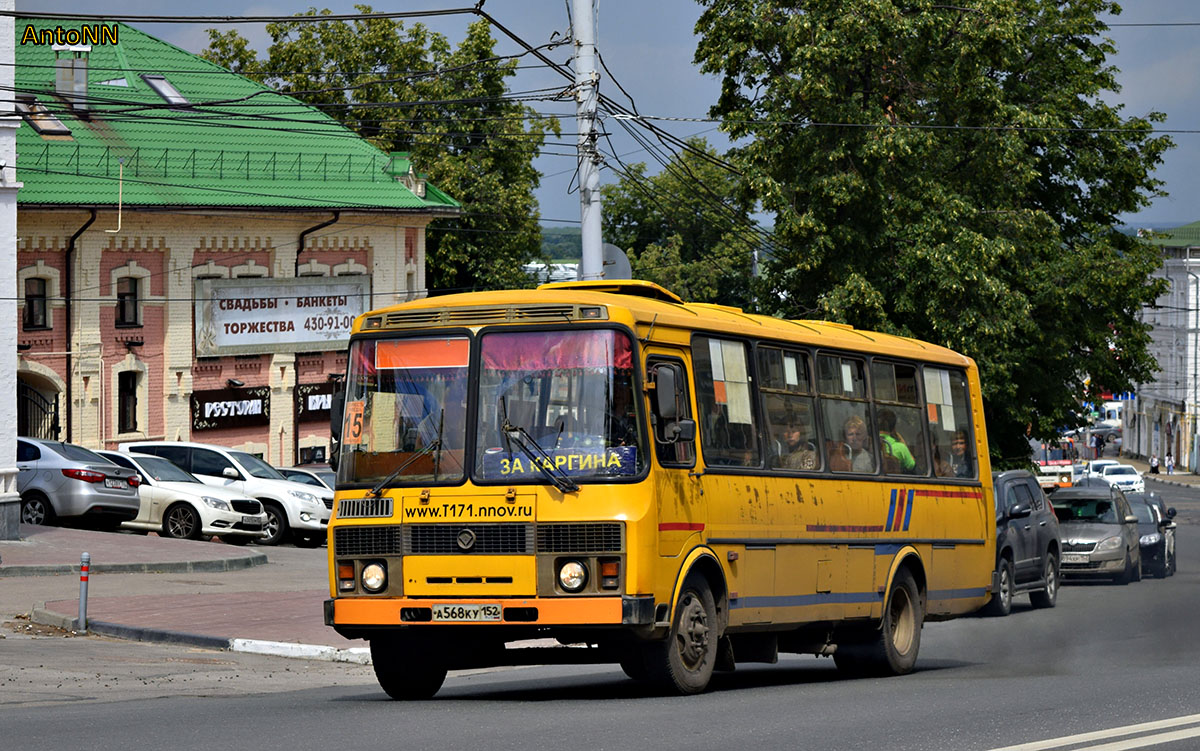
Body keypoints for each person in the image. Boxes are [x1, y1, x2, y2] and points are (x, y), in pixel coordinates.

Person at [877, 409, 916, 473]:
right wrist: (902, 441)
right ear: (894, 429)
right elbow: (912, 465)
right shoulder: (900, 448)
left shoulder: (869, 442)